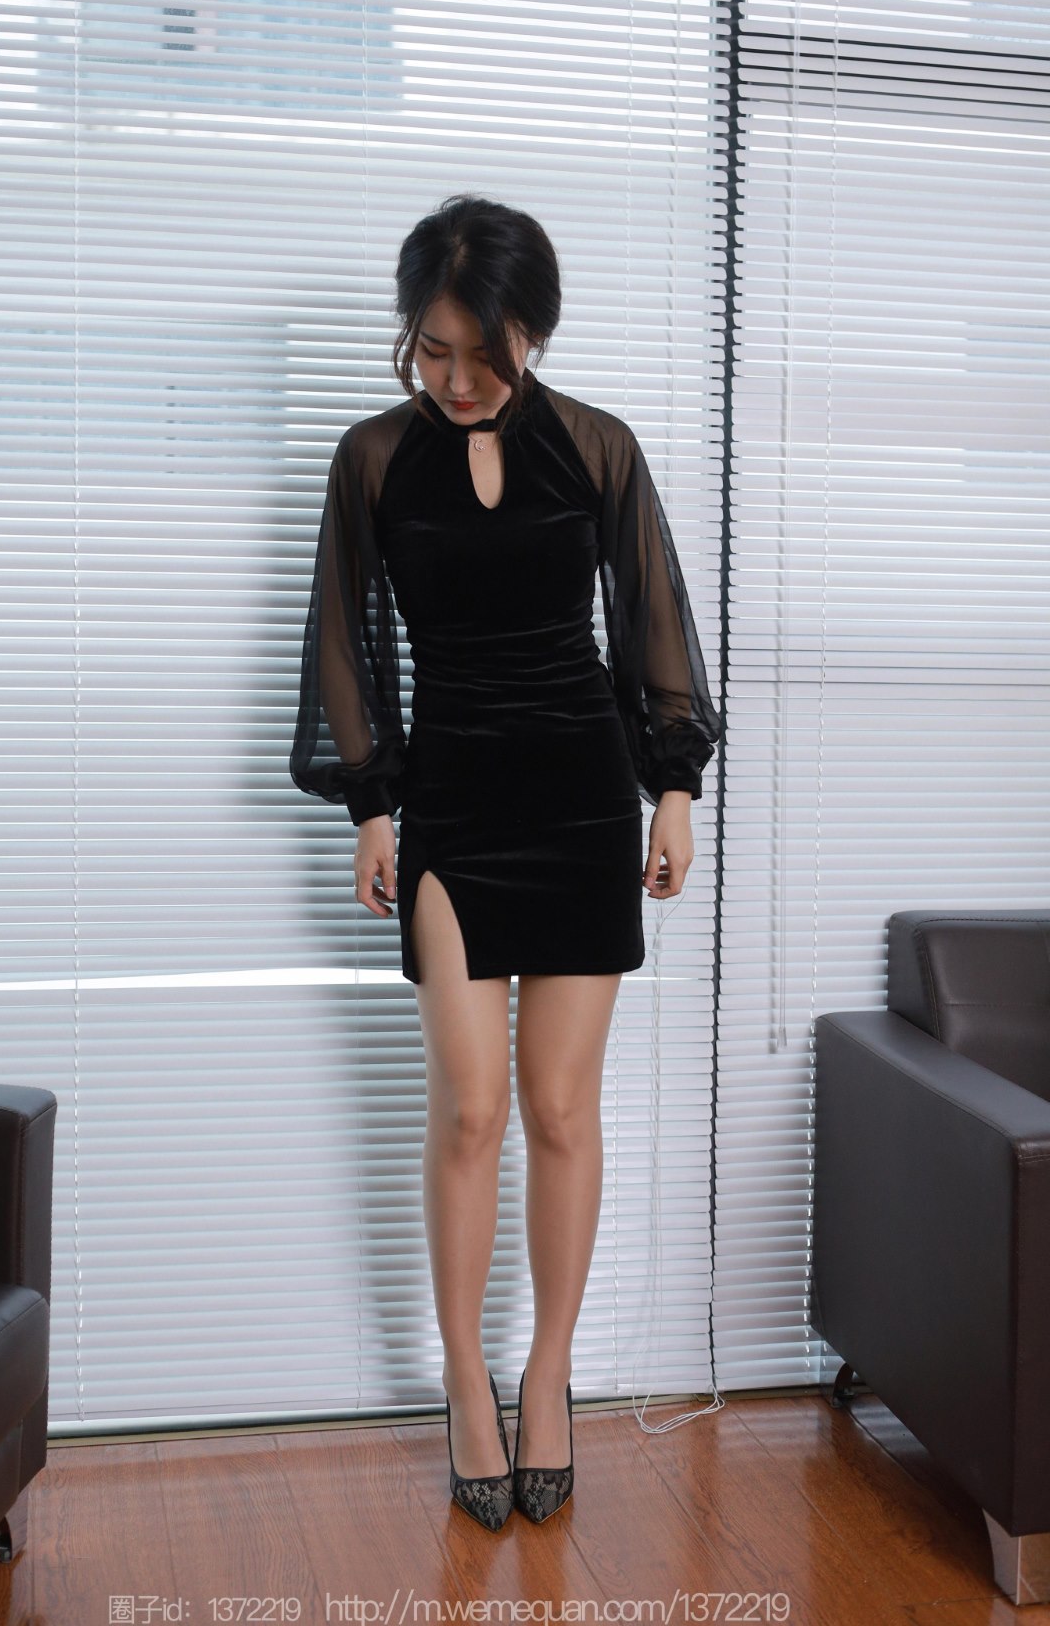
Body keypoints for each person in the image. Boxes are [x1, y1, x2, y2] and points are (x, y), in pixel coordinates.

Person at [290, 193, 723, 1530]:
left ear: (531, 331)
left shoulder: (597, 447)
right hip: (454, 803)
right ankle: (463, 1380)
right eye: (435, 350)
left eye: (485, 351)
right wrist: (371, 807)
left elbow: (651, 620)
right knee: (470, 1109)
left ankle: (547, 1377)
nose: (459, 378)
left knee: (561, 1111)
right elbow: (347, 635)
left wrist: (672, 789)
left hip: (583, 799)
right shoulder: (373, 458)